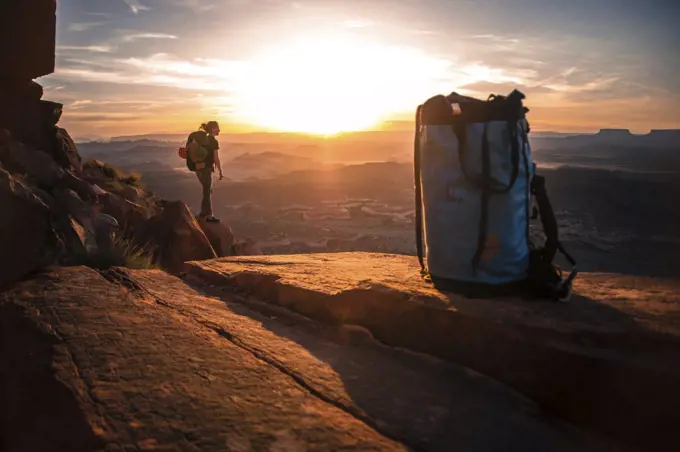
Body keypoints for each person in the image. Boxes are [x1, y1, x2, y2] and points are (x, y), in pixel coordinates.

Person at [186, 121, 224, 222]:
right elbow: (216, 158)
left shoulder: (202, 140)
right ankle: (208, 215)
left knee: (207, 190)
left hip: (198, 168)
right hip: (206, 169)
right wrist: (220, 171)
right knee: (207, 191)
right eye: (217, 128)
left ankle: (204, 212)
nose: (219, 130)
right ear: (212, 129)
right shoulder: (213, 141)